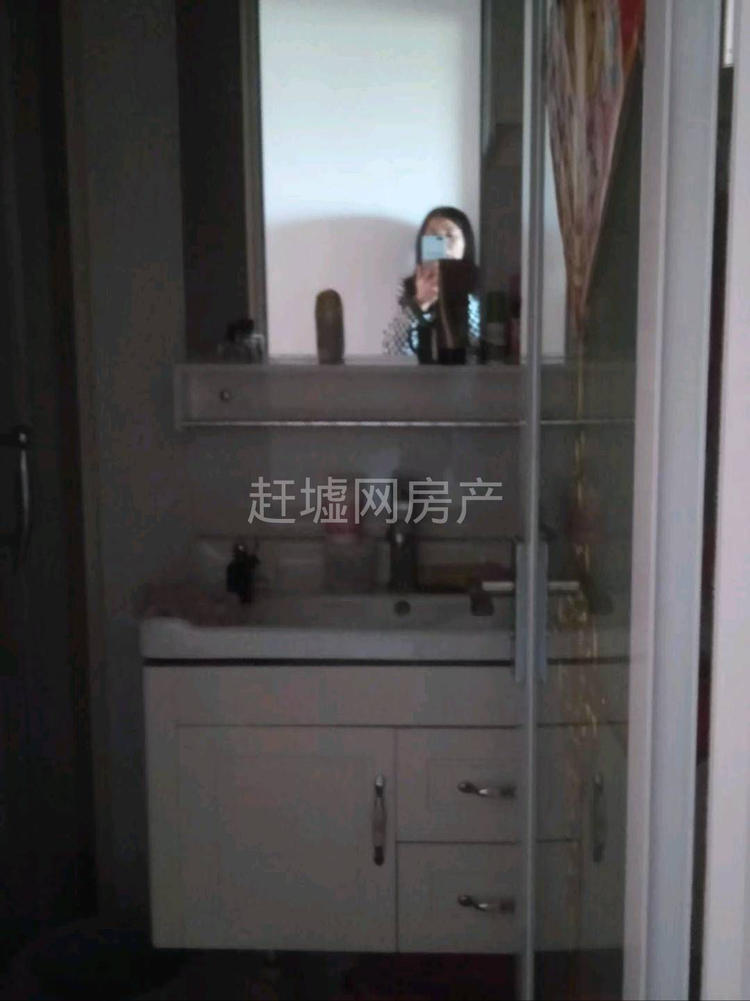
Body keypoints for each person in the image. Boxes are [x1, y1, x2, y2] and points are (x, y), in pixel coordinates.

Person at [382, 206, 481, 361]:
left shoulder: (482, 282)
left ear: (465, 243)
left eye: (449, 235)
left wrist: (456, 287)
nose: (441, 243)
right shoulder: (409, 286)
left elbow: (480, 348)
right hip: (423, 373)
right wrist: (419, 303)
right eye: (433, 236)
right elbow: (394, 352)